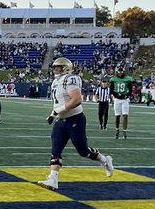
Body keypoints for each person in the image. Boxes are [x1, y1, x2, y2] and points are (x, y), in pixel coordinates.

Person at [37, 56, 113, 190]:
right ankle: (53, 179)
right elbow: (58, 102)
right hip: (61, 121)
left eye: (58, 66)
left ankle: (105, 160)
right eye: (54, 66)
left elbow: (77, 99)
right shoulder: (56, 82)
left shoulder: (71, 79)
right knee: (56, 149)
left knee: (83, 151)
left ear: (66, 68)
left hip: (75, 119)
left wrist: (58, 110)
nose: (55, 69)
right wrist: (52, 114)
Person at [110, 67, 134, 139]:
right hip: (117, 99)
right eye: (119, 72)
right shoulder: (113, 79)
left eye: (121, 72)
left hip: (125, 99)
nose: (120, 74)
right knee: (117, 116)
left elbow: (130, 90)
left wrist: (127, 95)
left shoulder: (128, 79)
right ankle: (117, 130)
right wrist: (115, 95)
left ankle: (124, 131)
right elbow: (111, 90)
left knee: (125, 115)